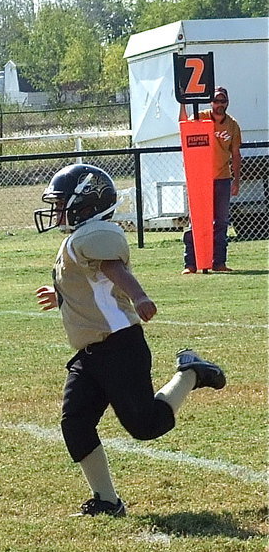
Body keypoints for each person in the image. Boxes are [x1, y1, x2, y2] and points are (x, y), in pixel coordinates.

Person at [33, 163, 226, 517]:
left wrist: (138, 297)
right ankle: (108, 501)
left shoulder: (94, 236)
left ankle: (192, 372)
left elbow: (114, 271)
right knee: (75, 423)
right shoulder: (78, 239)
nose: (56, 210)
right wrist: (61, 294)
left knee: (145, 426)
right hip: (90, 353)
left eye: (62, 202)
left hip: (120, 346)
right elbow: (93, 286)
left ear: (86, 205)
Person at [179, 86, 242, 273]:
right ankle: (191, 264)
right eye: (216, 100)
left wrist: (236, 180)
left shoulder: (232, 125)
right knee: (196, 221)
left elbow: (236, 154)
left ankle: (219, 262)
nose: (219, 104)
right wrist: (183, 102)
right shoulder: (202, 117)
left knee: (221, 222)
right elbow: (184, 124)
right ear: (210, 102)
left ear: (227, 102)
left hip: (222, 177)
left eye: (223, 101)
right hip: (200, 178)